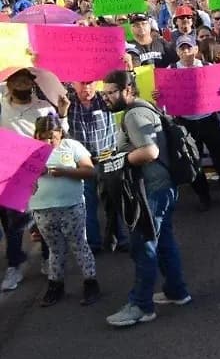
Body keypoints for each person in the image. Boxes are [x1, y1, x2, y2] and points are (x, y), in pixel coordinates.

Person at [100, 69, 191, 327]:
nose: (107, 98)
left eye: (111, 93)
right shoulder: (143, 108)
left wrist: (121, 160)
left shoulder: (134, 114)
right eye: (105, 93)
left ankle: (141, 306)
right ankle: (177, 292)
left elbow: (150, 151)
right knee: (164, 242)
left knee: (144, 246)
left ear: (127, 90)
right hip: (162, 188)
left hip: (152, 191)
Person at [1, 67, 69, 292]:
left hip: (40, 171)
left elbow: (60, 136)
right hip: (11, 175)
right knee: (15, 224)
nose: (22, 85)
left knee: (45, 219)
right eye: (17, 81)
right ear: (8, 85)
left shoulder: (43, 108)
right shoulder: (1, 107)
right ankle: (15, 266)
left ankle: (48, 259)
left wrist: (63, 114)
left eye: (26, 81)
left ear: (33, 84)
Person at [28, 115, 100, 307]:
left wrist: (65, 171)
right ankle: (55, 285)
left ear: (60, 133)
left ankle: (90, 282)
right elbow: (17, 182)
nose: (48, 141)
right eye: (43, 137)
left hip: (71, 206)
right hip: (42, 210)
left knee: (79, 245)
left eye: (52, 136)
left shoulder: (71, 146)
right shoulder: (29, 151)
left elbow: (90, 171)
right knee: (55, 249)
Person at [166, 35, 220, 210]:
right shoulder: (172, 69)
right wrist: (159, 95)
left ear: (196, 49)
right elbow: (165, 96)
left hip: (209, 119)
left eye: (189, 48)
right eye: (182, 48)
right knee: (193, 161)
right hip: (186, 123)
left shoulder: (208, 67)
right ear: (177, 51)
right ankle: (203, 196)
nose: (186, 52)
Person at [67, 80, 128, 253]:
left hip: (107, 159)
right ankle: (93, 243)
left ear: (96, 83)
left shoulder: (104, 99)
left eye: (89, 83)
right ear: (73, 84)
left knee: (115, 200)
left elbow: (126, 95)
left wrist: (129, 70)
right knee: (87, 204)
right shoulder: (67, 102)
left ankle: (120, 238)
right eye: (81, 83)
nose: (86, 87)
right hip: (82, 162)